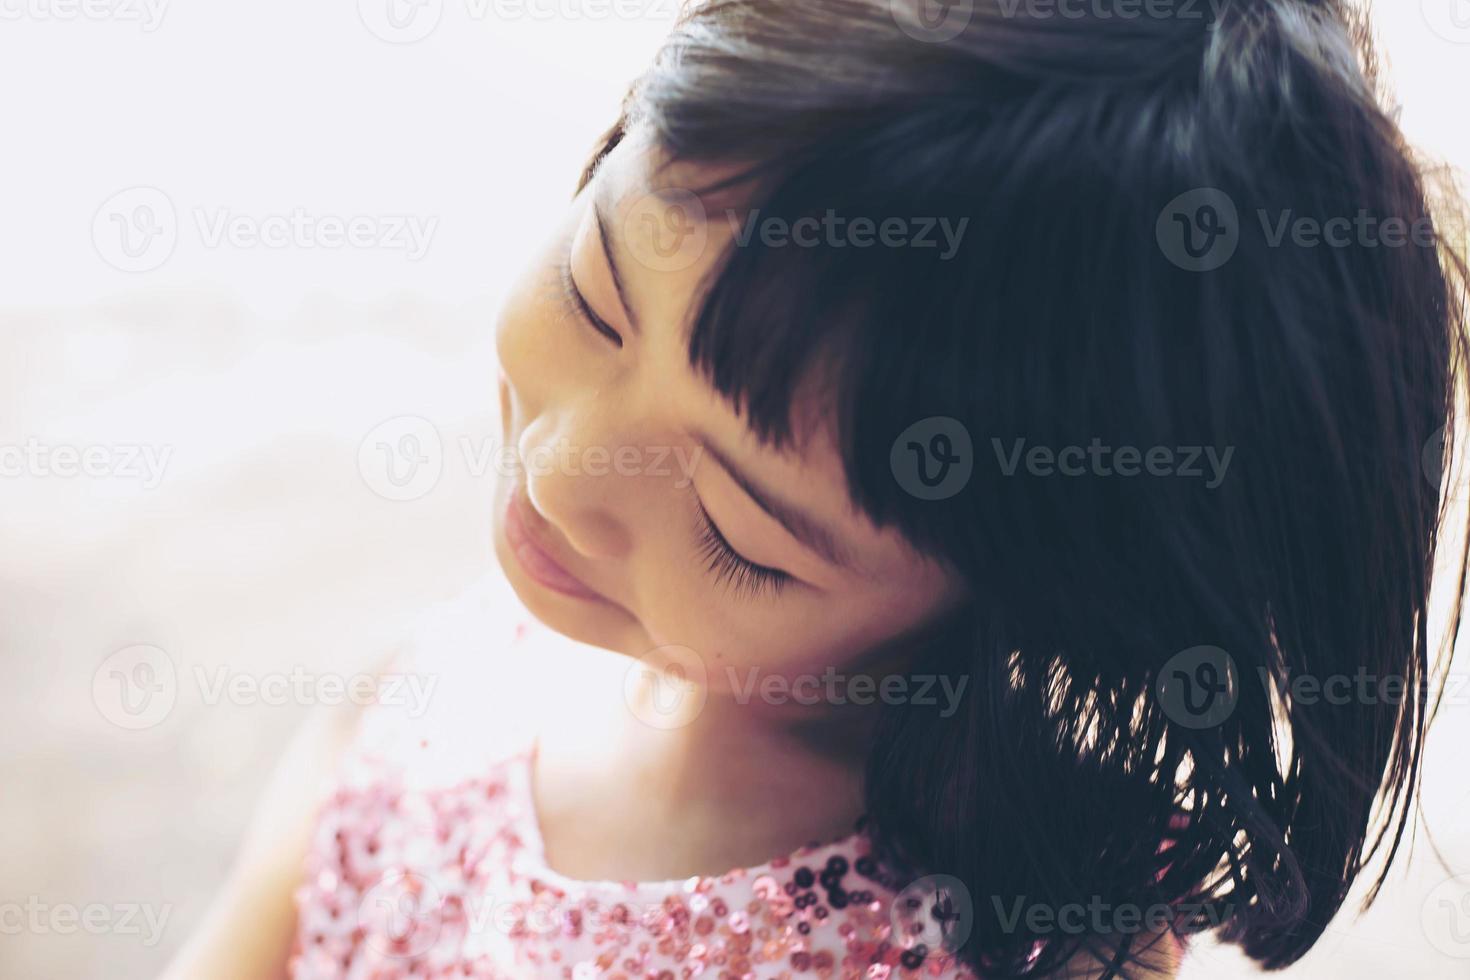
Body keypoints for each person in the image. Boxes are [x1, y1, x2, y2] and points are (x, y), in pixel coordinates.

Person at [164, 0, 1469, 976]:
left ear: (1017, 596)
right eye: (594, 297)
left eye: (737, 531)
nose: (564, 478)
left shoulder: (981, 948)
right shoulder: (438, 686)